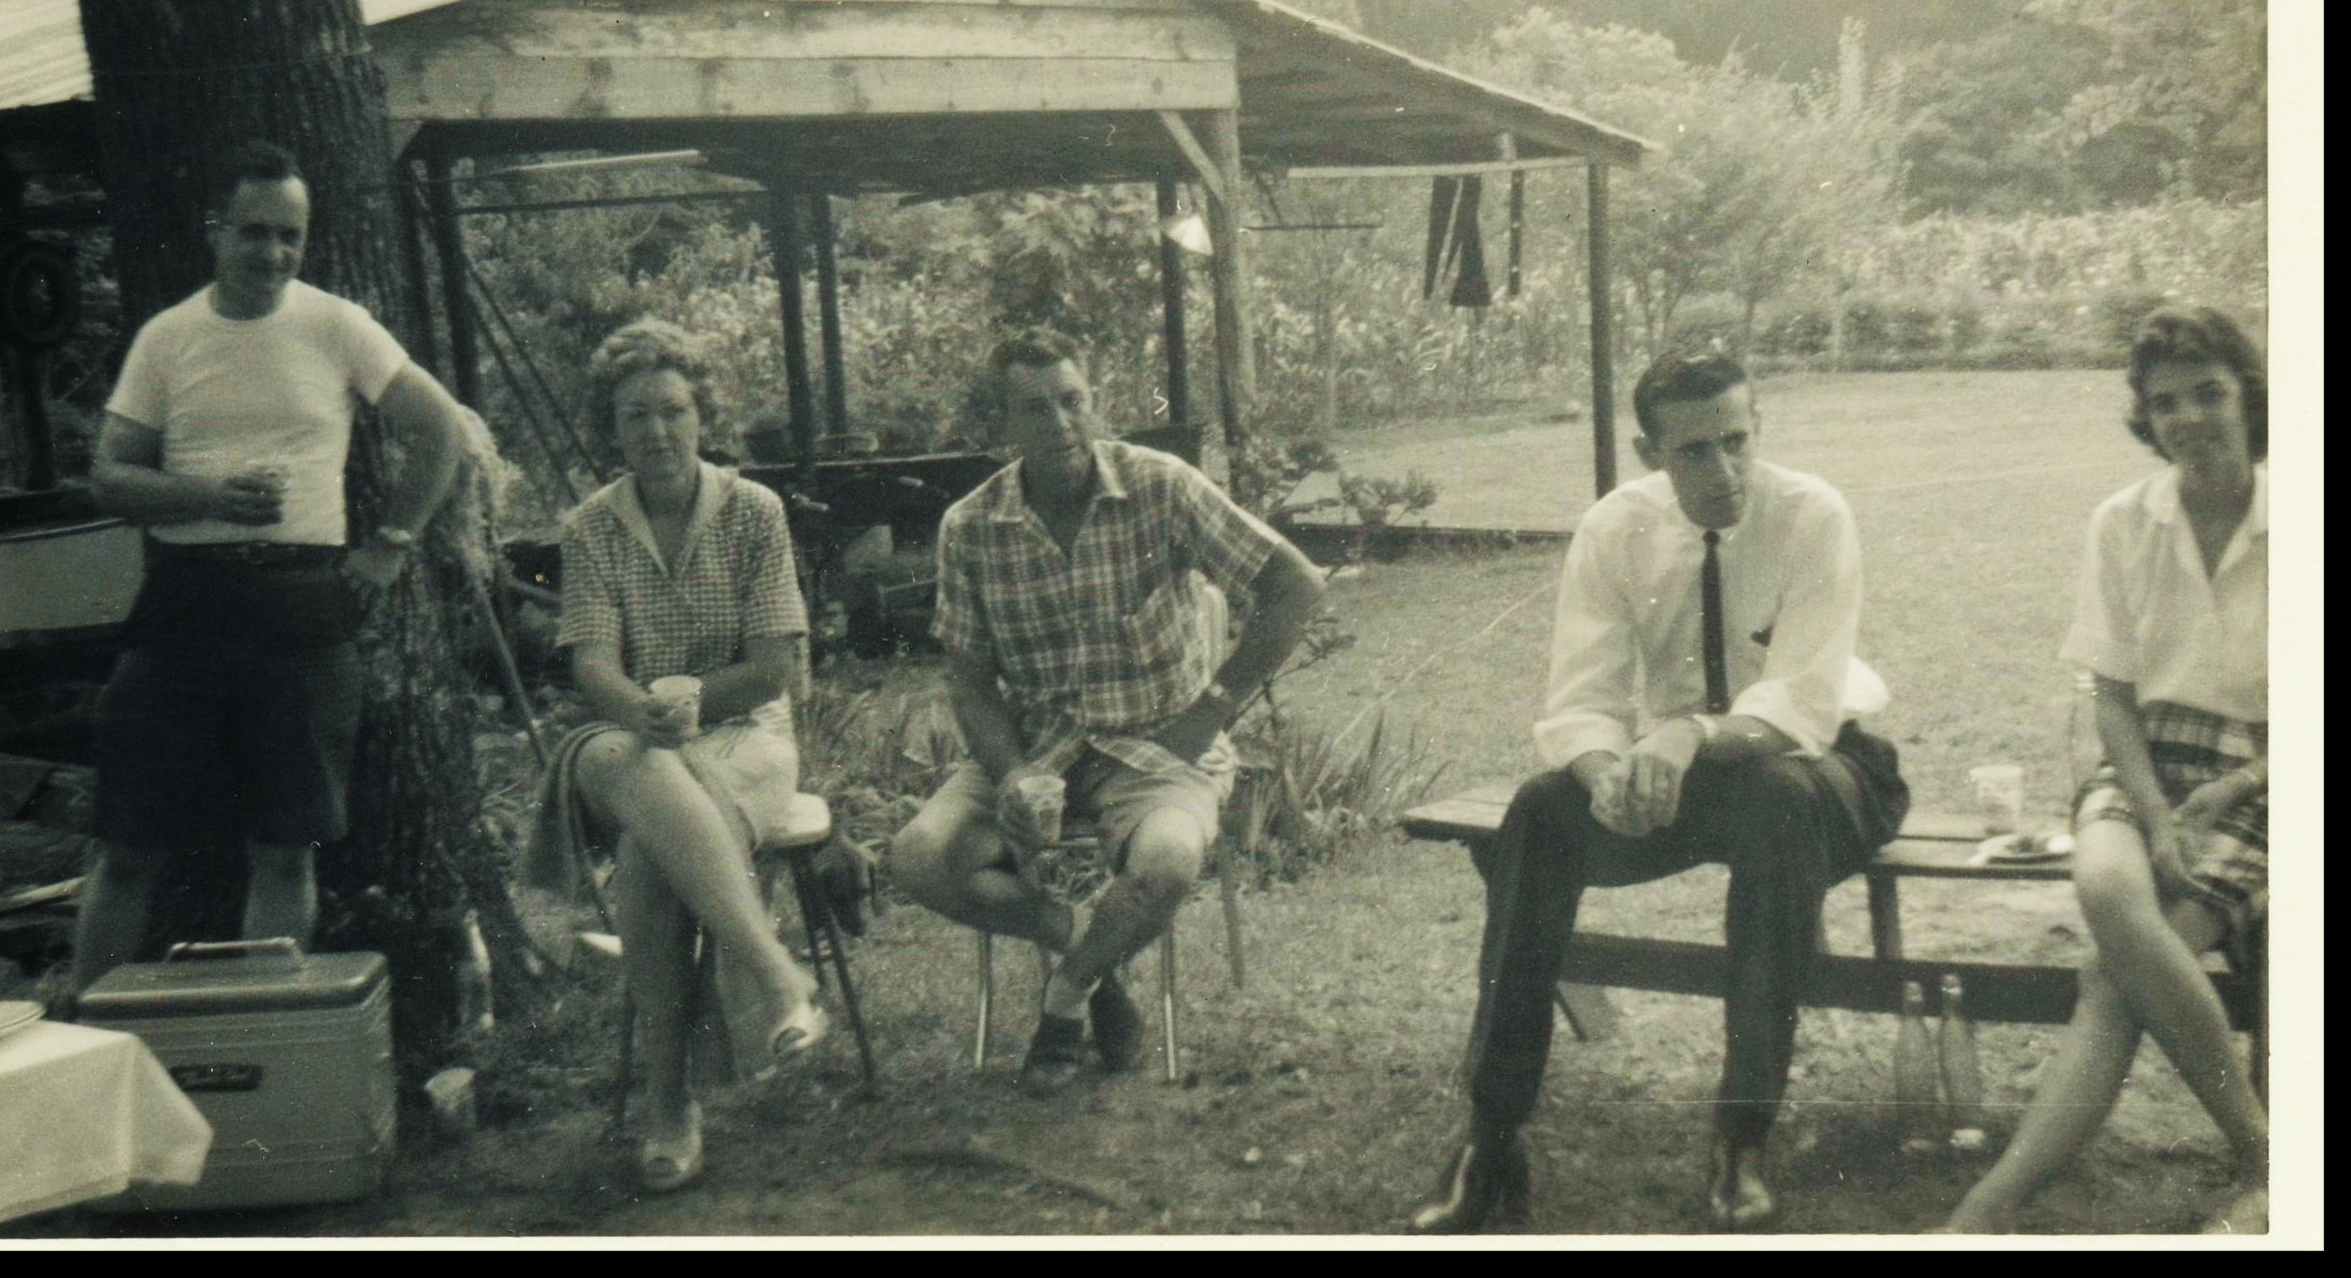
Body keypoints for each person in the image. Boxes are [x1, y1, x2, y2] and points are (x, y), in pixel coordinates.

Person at [1411, 349, 1909, 1233]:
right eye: (1694, 453)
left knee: (1780, 800)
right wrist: (1605, 775)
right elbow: (1583, 698)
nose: (1723, 472)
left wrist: (1683, 736)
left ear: (1759, 430)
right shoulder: (1614, 527)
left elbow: (1799, 701)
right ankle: (1492, 1134)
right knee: (1538, 812)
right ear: (1650, 452)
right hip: (1677, 773)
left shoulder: (1811, 513)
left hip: (1826, 765)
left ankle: (1743, 1132)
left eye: (1737, 441)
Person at [71, 140, 467, 995]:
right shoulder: (169, 337)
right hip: (184, 605)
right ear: (215, 230)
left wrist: (389, 546)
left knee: (283, 846)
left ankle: (263, 1047)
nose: (275, 253)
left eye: (292, 235)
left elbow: (443, 432)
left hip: (302, 604)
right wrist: (205, 494)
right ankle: (87, 1044)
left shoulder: (335, 325)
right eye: (255, 232)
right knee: (131, 840)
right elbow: (110, 475)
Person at [888, 328, 1325, 1093]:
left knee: (1168, 862)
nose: (1059, 424)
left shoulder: (1162, 485)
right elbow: (970, 682)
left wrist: (1213, 710)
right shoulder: (971, 526)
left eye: (1072, 401)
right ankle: (1086, 946)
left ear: (1094, 403)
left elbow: (1297, 585)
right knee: (918, 855)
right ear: (1003, 428)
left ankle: (1063, 1000)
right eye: (1034, 410)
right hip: (1037, 745)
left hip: (1159, 744)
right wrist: (1014, 771)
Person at [1947, 306, 2269, 1235]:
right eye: (2166, 403)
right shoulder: (2124, 522)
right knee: (2107, 884)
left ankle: (1986, 1206)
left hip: (2267, 768)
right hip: (2143, 753)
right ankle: (2271, 1154)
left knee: (2109, 978)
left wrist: (2238, 786)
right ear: (2146, 418)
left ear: (2246, 393)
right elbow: (2114, 695)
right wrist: (2155, 809)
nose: (2190, 419)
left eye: (2208, 392)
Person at [520, 318, 829, 1194]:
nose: (656, 431)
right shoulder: (591, 526)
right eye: (634, 416)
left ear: (702, 415)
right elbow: (591, 665)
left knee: (649, 854)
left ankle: (668, 1105)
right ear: (610, 429)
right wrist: (644, 712)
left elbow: (774, 665)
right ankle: (776, 972)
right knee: (629, 766)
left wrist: (691, 703)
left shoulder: (754, 513)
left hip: (746, 732)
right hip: (630, 738)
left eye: (672, 410)